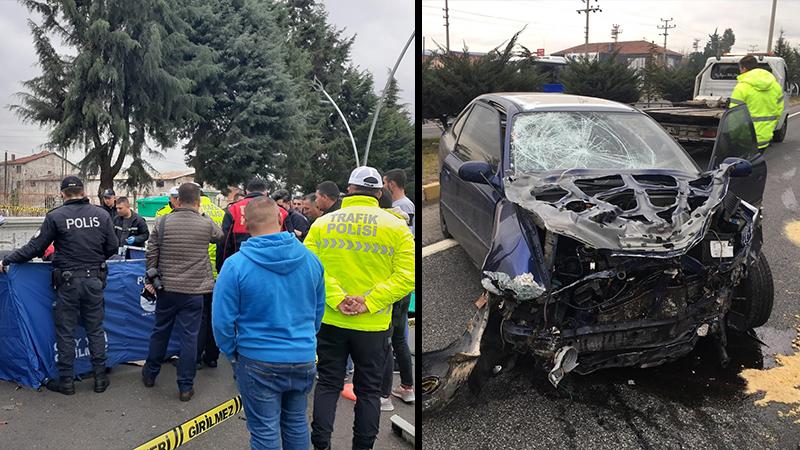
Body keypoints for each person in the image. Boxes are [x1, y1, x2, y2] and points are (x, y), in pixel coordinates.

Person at [306, 166, 415, 450]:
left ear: (349, 190)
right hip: (373, 325)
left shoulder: (322, 225)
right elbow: (407, 276)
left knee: (328, 384)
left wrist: (337, 298)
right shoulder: (396, 228)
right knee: (368, 392)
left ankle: (320, 445)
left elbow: (308, 268)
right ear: (379, 193)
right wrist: (369, 301)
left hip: (331, 320)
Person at [213, 196, 325, 450]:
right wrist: (305, 339)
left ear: (245, 225)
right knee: (296, 423)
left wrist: (232, 351)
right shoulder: (311, 260)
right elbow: (317, 311)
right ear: (279, 218)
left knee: (264, 431)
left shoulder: (235, 266)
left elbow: (221, 321)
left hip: (256, 358)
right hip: (302, 355)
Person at [1, 176, 118, 395]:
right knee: (95, 329)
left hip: (68, 281)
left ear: (62, 194)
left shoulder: (56, 216)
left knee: (65, 332)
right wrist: (92, 259)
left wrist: (6, 261)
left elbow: (35, 248)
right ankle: (100, 379)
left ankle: (66, 382)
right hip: (94, 280)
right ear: (84, 192)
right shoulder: (101, 215)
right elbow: (113, 246)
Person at [142, 183, 223, 401]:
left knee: (160, 331)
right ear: (198, 201)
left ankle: (150, 374)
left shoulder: (163, 221)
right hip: (195, 292)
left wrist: (153, 278)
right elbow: (219, 235)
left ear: (177, 199)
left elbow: (151, 253)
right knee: (190, 338)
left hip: (167, 289)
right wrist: (203, 214)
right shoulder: (204, 222)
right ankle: (185, 387)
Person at [217, 177, 286, 272]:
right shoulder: (281, 211)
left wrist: (222, 268)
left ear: (246, 192)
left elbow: (224, 244)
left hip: (240, 268)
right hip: (275, 269)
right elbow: (289, 239)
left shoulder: (234, 210)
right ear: (266, 193)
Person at [729, 54, 785, 150]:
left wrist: (733, 136)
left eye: (740, 69)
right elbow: (778, 112)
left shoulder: (741, 87)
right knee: (755, 162)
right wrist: (769, 128)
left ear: (744, 68)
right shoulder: (775, 86)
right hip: (765, 137)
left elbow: (735, 116)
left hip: (746, 139)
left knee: (740, 163)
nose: (740, 71)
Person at [384, 169, 415, 236]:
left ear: (391, 184)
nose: (382, 187)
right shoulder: (395, 203)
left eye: (384, 183)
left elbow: (408, 231)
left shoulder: (405, 205)